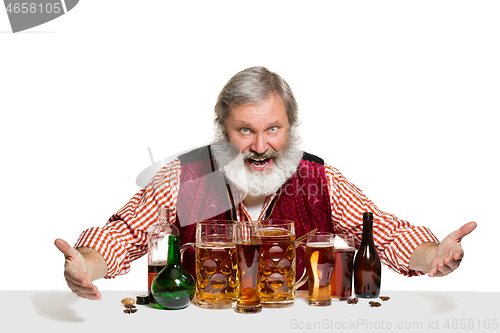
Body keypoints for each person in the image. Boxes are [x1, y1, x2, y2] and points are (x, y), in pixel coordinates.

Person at [55, 66, 477, 300]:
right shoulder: (189, 179)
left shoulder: (319, 179)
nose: (260, 146)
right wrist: (86, 266)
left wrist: (432, 255)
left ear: (290, 129)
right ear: (222, 130)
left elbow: (384, 232)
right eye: (245, 131)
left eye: (273, 129)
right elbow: (122, 234)